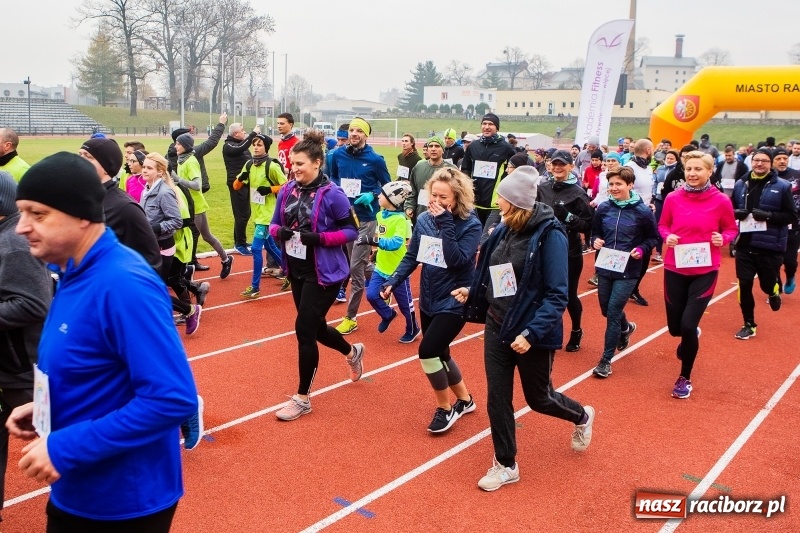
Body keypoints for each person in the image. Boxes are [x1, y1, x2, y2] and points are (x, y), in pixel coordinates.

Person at [10, 152, 199, 530]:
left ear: (82, 215)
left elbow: (172, 398)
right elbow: (96, 366)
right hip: (78, 491)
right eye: (21, 212)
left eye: (38, 213)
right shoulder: (69, 271)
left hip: (123, 505)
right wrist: (50, 408)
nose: (21, 227)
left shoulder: (124, 284)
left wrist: (65, 446)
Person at [453, 166, 595, 492]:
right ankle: (506, 464)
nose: (496, 202)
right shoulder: (504, 229)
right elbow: (492, 272)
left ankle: (581, 416)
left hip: (531, 332)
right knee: (497, 398)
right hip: (498, 325)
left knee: (539, 398)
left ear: (515, 202)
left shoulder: (551, 235)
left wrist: (530, 333)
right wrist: (473, 293)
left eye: (501, 197)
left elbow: (557, 293)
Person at [269, 130, 362, 421]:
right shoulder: (287, 190)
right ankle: (352, 352)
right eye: (293, 164)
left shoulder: (333, 195)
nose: (294, 168)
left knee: (304, 331)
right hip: (296, 269)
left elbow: (351, 231)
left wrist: (320, 238)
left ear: (317, 163)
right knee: (316, 327)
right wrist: (279, 232)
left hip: (326, 272)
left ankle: (302, 398)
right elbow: (273, 225)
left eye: (300, 164)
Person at [381, 168, 481, 433]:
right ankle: (466, 400)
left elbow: (458, 260)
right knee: (442, 352)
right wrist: (393, 280)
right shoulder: (424, 219)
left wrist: (447, 222)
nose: (436, 201)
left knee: (427, 351)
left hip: (455, 298)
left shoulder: (471, 223)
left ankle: (445, 409)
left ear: (458, 198)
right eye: (433, 195)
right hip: (428, 297)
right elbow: (412, 255)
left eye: (443, 197)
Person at [658, 151, 737, 398]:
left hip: (705, 269)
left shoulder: (721, 200)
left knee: (689, 325)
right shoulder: (673, 198)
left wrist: (722, 238)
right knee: (675, 329)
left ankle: (684, 377)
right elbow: (663, 224)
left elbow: (731, 229)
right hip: (675, 267)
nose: (692, 174)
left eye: (698, 169)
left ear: (709, 171)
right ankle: (687, 336)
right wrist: (666, 236)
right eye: (689, 169)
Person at [0, 171, 51, 521]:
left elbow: (34, 304)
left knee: (57, 442)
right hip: (8, 365)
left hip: (23, 371)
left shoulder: (14, 244)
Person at [590, 166, 659, 378]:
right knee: (605, 309)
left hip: (628, 269)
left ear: (630, 185)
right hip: (605, 266)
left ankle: (605, 360)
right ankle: (626, 327)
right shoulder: (603, 208)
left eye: (618, 184)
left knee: (612, 312)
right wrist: (596, 241)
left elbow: (653, 238)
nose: (613, 188)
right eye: (611, 184)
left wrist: (641, 249)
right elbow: (595, 232)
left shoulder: (643, 211)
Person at [329, 118, 391, 335]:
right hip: (345, 218)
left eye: (359, 131)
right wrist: (336, 187)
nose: (354, 133)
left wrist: (372, 195)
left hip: (366, 218)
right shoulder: (337, 155)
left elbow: (387, 186)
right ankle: (383, 281)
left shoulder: (375, 159)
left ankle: (351, 317)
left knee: (355, 267)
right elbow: (332, 176)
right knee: (352, 263)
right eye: (352, 130)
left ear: (366, 135)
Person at [731, 148, 797, 339]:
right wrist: (737, 212)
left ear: (771, 164)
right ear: (752, 162)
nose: (759, 164)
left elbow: (792, 216)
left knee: (767, 285)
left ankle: (774, 291)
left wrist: (769, 216)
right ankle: (749, 324)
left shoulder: (783, 186)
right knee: (744, 284)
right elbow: (731, 208)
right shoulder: (740, 184)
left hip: (769, 246)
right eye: (756, 160)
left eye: (764, 161)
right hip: (744, 243)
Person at [536, 150, 594, 352]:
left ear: (571, 166)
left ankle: (577, 330)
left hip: (569, 251)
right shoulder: (542, 187)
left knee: (567, 295)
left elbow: (588, 225)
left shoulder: (578, 193)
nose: (558, 167)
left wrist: (568, 217)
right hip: (543, 246)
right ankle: (545, 331)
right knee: (542, 291)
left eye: (563, 164)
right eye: (555, 164)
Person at [140, 152, 205, 335]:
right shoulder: (147, 189)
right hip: (150, 245)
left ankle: (189, 310)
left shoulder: (164, 192)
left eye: (149, 168)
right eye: (144, 166)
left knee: (152, 290)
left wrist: (155, 227)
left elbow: (176, 221)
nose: (144, 170)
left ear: (160, 172)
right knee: (151, 289)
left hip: (163, 246)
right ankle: (168, 317)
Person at [78, 137, 163, 272]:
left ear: (106, 166)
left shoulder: (125, 208)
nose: (80, 160)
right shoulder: (80, 198)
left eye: (88, 156)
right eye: (80, 155)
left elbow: (151, 259)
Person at [362, 180, 421, 343]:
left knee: (405, 304)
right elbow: (381, 236)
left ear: (392, 200)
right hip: (381, 267)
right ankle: (388, 314)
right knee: (372, 295)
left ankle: (413, 328)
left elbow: (396, 243)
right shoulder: (380, 215)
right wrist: (375, 252)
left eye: (382, 194)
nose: (378, 196)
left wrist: (373, 242)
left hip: (398, 271)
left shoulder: (401, 220)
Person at [233, 133, 289, 298]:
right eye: (254, 144)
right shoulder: (249, 164)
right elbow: (236, 186)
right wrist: (241, 178)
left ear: (266, 147)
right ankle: (290, 273)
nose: (256, 147)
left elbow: (287, 186)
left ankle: (255, 287)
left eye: (259, 145)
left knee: (256, 248)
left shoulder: (271, 166)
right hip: (257, 213)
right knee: (271, 247)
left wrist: (269, 189)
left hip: (268, 216)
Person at [174, 132, 234, 279]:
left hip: (196, 207)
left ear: (186, 146)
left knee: (200, 237)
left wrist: (178, 179)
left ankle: (224, 260)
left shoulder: (191, 161)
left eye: (178, 144)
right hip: (187, 205)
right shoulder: (181, 160)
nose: (176, 146)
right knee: (198, 236)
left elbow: (197, 185)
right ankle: (225, 259)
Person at [460, 113, 516, 226]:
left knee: (486, 239)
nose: (487, 127)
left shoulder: (506, 148)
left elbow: (515, 171)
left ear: (497, 127)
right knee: (475, 237)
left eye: (491, 124)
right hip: (474, 203)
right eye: (484, 123)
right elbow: (466, 169)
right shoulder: (473, 146)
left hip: (495, 204)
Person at [222, 122, 259, 256]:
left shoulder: (240, 145)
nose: (244, 133)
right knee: (242, 215)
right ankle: (239, 244)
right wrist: (253, 134)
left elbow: (249, 159)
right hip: (236, 184)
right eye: (242, 131)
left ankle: (240, 241)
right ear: (236, 134)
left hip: (245, 183)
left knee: (244, 214)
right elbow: (242, 147)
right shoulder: (229, 146)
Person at [405, 136, 457, 221]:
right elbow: (412, 192)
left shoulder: (451, 169)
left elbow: (457, 195)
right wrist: (409, 207)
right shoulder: (418, 167)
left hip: (443, 217)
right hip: (421, 216)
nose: (433, 149)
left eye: (437, 146)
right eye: (430, 146)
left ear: (443, 149)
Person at [771, 147, 800, 293]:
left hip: (793, 225)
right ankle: (776, 287)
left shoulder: (797, 175)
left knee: (790, 260)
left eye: (785, 158)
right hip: (772, 224)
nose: (782, 161)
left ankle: (790, 276)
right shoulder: (768, 177)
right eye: (778, 159)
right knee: (773, 261)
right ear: (772, 162)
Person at [652, 150, 680, 263]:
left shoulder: (677, 171)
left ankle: (675, 251)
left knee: (674, 225)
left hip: (674, 202)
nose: (669, 160)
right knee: (659, 223)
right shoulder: (660, 169)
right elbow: (654, 182)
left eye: (671, 158)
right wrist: (654, 193)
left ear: (676, 160)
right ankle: (658, 252)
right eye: (667, 158)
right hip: (659, 199)